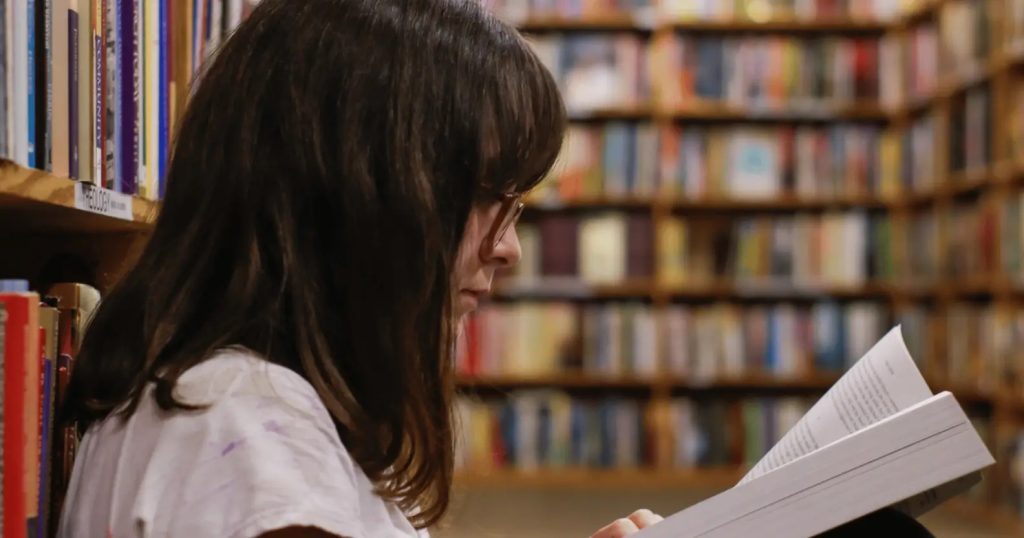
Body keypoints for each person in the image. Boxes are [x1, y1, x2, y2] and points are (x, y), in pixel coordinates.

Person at [56, 1, 661, 537]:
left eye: (515, 205)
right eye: (484, 197)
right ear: (360, 192)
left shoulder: (228, 404)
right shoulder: (246, 432)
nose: (509, 250)